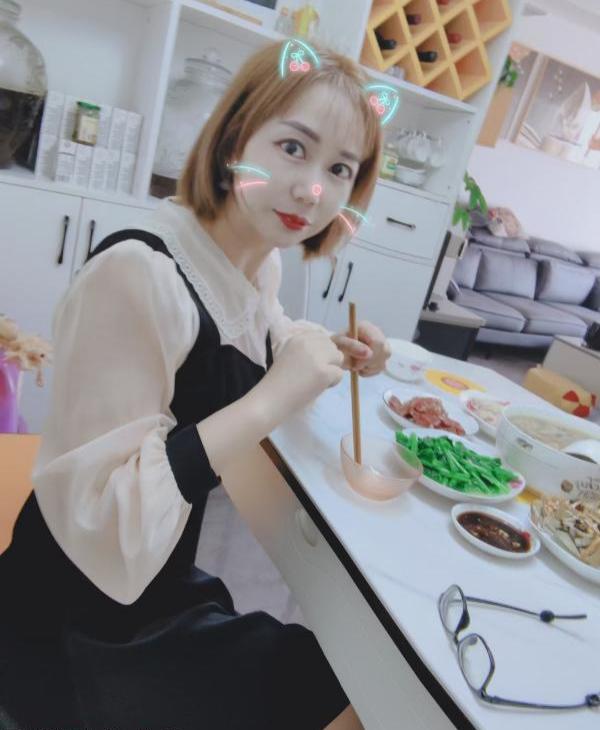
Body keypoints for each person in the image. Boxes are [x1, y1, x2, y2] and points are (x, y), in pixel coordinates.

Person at [0, 41, 390, 730]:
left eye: (339, 169)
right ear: (236, 136)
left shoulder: (251, 266)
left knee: (361, 676)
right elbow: (105, 519)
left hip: (156, 580)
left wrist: (335, 350)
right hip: (75, 619)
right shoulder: (139, 272)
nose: (313, 190)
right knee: (346, 690)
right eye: (292, 148)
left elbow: (263, 339)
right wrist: (272, 398)